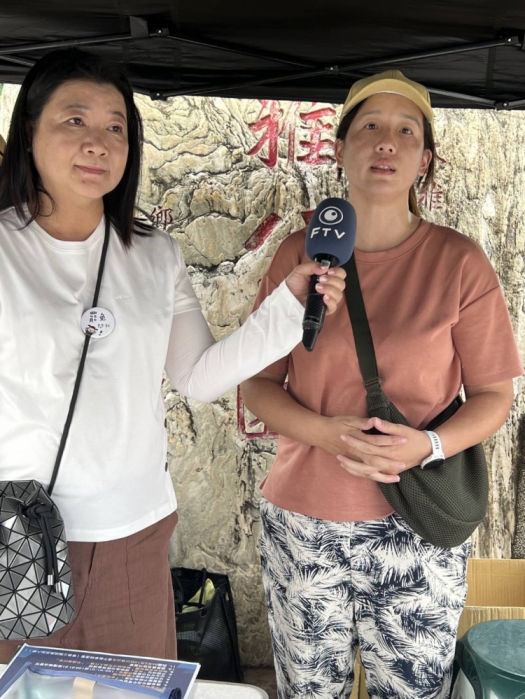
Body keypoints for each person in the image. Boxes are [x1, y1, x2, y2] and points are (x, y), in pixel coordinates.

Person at [0, 48, 347, 662]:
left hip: (131, 532)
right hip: (17, 537)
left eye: (116, 127)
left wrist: (288, 308)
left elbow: (197, 377)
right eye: (74, 120)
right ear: (29, 132)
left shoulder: (154, 254)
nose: (98, 142)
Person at [241, 70, 523, 699]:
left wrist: (427, 446)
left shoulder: (459, 262)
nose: (386, 142)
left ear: (425, 160)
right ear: (340, 149)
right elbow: (257, 385)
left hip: (417, 524)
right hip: (303, 526)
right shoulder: (298, 255)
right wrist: (326, 433)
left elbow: (494, 396)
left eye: (405, 131)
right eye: (369, 126)